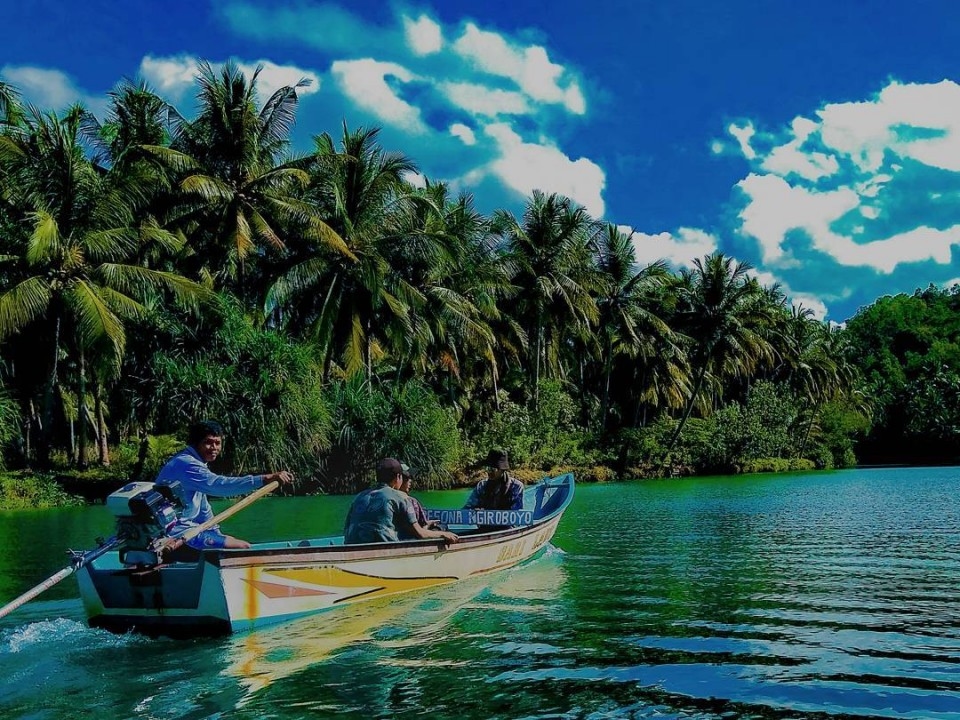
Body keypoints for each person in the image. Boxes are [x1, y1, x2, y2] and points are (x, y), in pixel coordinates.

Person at [155, 420, 294, 550]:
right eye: (208, 442)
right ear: (196, 443)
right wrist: (263, 479)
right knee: (242, 546)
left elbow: (203, 510)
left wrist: (216, 533)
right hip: (175, 533)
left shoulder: (194, 463)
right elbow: (219, 486)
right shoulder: (187, 464)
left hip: (187, 529)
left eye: (217, 443)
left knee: (233, 541)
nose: (214, 448)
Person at [344, 457, 458, 545]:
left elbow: (347, 529)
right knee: (439, 528)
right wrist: (444, 534)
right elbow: (421, 534)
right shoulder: (400, 497)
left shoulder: (359, 497)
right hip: (383, 551)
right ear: (398, 477)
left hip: (351, 548)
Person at [464, 449, 524, 531]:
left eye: (493, 469)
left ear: (502, 470)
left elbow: (516, 517)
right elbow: (467, 509)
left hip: (508, 530)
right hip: (485, 529)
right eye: (487, 468)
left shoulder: (516, 487)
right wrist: (474, 512)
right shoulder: (482, 485)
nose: (489, 472)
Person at [399, 462, 441, 533]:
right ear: (399, 479)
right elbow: (421, 531)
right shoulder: (411, 502)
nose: (410, 480)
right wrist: (429, 524)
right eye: (407, 477)